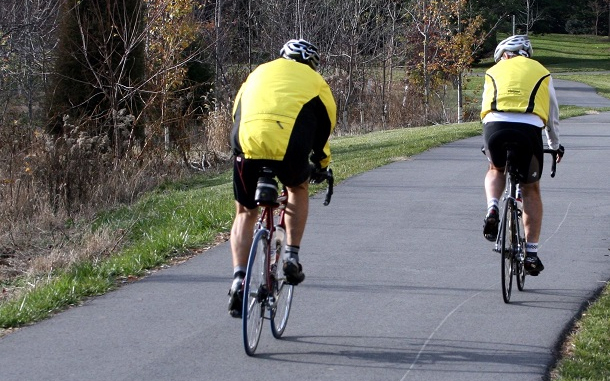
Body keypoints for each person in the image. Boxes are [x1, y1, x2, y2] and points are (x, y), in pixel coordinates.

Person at [227, 39, 337, 317]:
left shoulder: (258, 72)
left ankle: (239, 279)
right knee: (297, 187)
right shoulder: (316, 81)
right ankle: (291, 255)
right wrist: (321, 163)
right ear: (312, 63)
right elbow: (325, 126)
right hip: (289, 147)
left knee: (244, 212)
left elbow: (237, 111)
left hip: (247, 143)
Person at [481, 35, 564, 276]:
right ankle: (531, 253)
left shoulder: (492, 71)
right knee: (531, 189)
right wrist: (555, 145)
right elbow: (553, 114)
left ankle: (493, 208)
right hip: (528, 129)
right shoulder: (542, 71)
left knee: (496, 169)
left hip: (495, 127)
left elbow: (485, 110)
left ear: (504, 55)